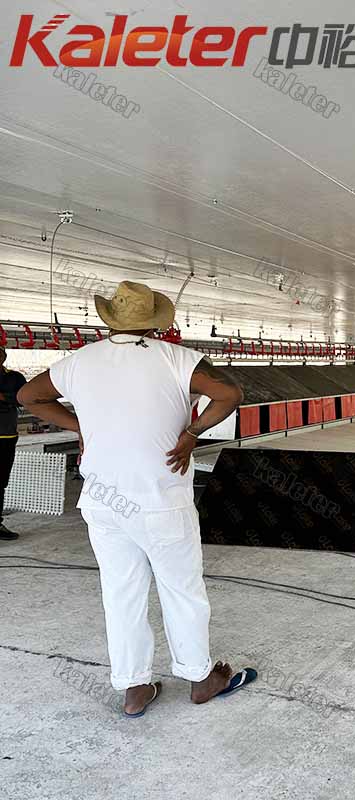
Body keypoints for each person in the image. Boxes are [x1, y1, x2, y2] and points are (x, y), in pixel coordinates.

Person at [19, 280, 257, 717]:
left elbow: (28, 395)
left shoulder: (79, 361)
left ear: (110, 320)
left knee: (121, 593)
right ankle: (200, 678)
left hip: (103, 503)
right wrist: (191, 434)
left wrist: (81, 427)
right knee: (181, 589)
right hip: (160, 499)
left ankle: (133, 688)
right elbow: (230, 394)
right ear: (154, 323)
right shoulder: (177, 358)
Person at [0, 346, 27, 540]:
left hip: (5, 436)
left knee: (0, 482)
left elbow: (24, 399)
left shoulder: (14, 378)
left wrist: (3, 397)